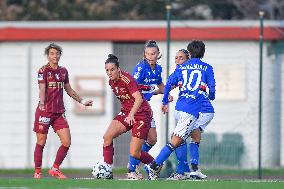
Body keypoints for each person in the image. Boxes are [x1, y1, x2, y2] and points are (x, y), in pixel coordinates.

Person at [146, 40, 216, 180]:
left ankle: (192, 170)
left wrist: (165, 101)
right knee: (176, 140)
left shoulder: (181, 67)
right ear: (202, 53)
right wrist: (208, 95)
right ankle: (154, 165)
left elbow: (168, 85)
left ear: (189, 53)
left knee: (192, 134)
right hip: (193, 110)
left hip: (180, 108)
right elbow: (212, 91)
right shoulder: (207, 68)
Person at [33, 43, 93, 179]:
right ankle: (37, 172)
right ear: (48, 55)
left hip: (59, 112)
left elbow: (69, 89)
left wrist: (82, 101)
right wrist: (42, 104)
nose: (55, 56)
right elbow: (42, 89)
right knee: (41, 141)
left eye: (57, 53)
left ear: (60, 55)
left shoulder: (63, 71)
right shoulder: (43, 71)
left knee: (66, 142)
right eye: (52, 53)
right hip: (45, 111)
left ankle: (55, 168)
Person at [102, 54, 155, 179]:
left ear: (118, 69)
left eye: (112, 69)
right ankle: (107, 170)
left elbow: (138, 99)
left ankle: (154, 165)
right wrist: (128, 114)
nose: (109, 73)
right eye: (107, 70)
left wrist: (131, 114)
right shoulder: (111, 81)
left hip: (140, 114)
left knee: (135, 152)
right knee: (107, 137)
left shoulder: (126, 79)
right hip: (127, 112)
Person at [127, 40, 172, 179]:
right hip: (137, 107)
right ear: (144, 55)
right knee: (139, 140)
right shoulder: (140, 68)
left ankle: (133, 165)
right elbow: (132, 88)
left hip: (145, 107)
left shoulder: (158, 69)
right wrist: (153, 91)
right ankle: (132, 170)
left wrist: (167, 95)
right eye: (148, 54)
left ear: (158, 54)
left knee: (152, 139)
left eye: (153, 54)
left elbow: (160, 86)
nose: (150, 56)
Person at [168, 48, 215, 180]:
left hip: (202, 112)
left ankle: (181, 171)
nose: (178, 60)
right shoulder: (183, 72)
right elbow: (169, 85)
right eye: (176, 58)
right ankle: (192, 170)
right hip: (198, 112)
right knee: (192, 138)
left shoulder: (188, 71)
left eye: (181, 58)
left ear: (188, 60)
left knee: (177, 137)